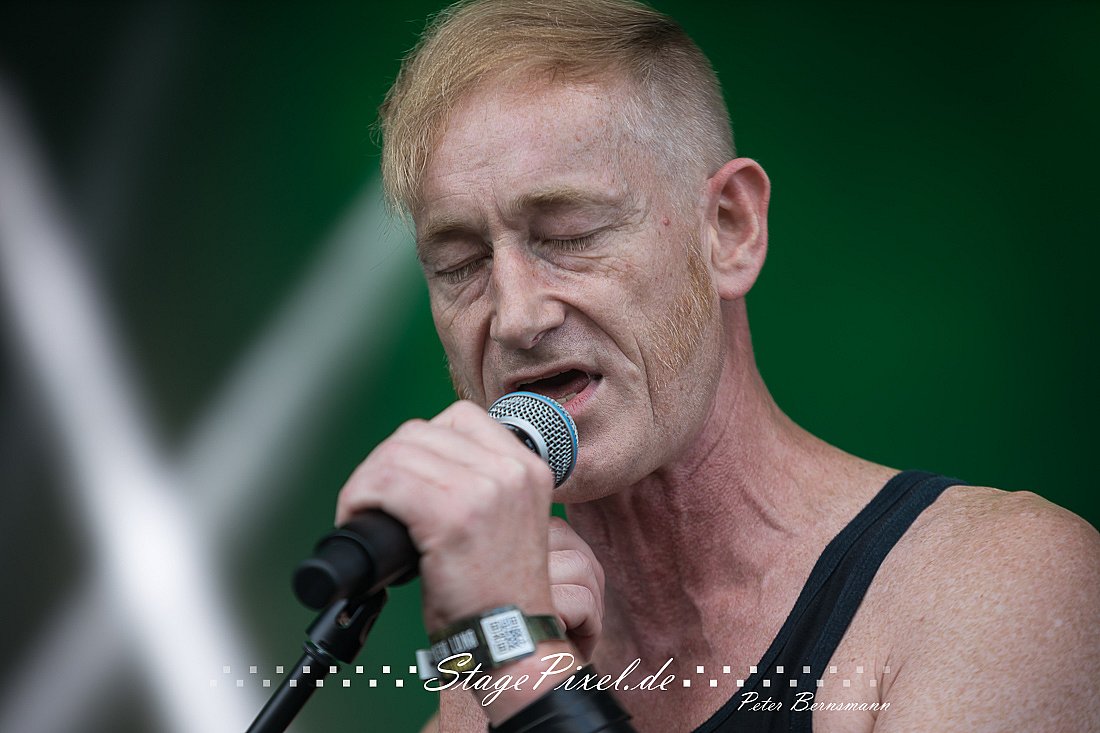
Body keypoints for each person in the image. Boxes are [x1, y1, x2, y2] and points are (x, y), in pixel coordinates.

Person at [333, 1, 1100, 731]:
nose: (516, 315)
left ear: (730, 229)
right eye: (460, 264)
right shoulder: (487, 682)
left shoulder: (998, 586)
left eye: (569, 234)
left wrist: (517, 664)